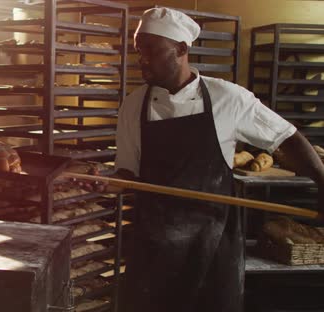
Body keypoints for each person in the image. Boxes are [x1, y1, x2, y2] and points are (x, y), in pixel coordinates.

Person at [115, 7, 324, 312]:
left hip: (212, 244)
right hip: (155, 246)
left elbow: (288, 138)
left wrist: (322, 183)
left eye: (152, 49)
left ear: (182, 49)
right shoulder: (134, 106)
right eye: (138, 49)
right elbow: (127, 172)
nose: (142, 58)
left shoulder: (228, 98)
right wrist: (110, 183)